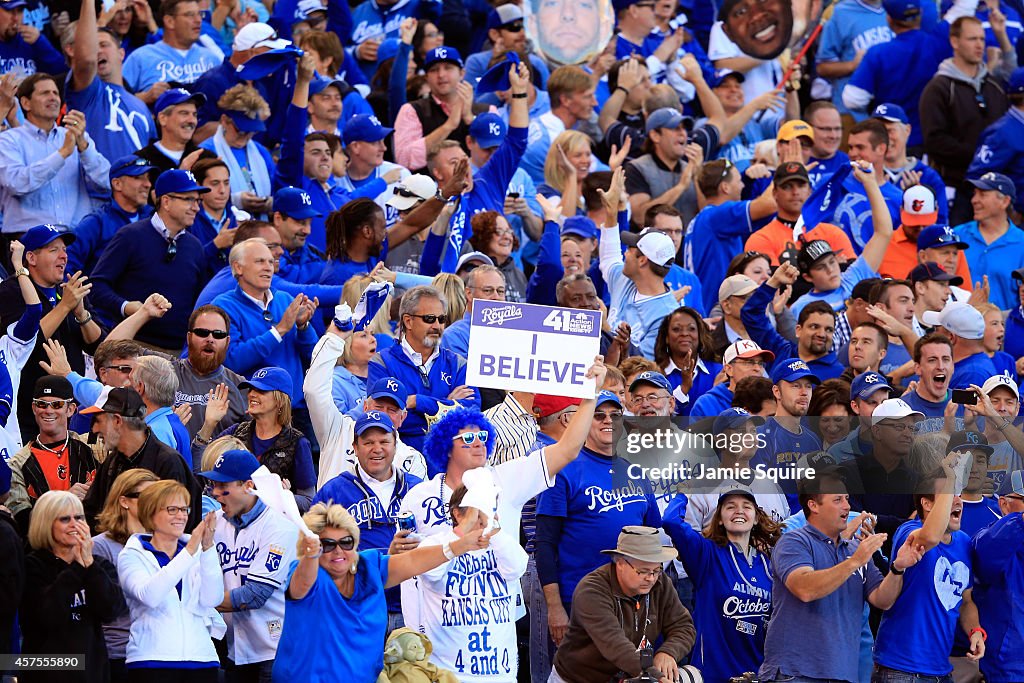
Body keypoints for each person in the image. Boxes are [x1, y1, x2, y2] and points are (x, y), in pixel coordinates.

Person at [270, 501, 490, 681]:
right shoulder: (307, 574)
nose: (338, 551)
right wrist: (310, 556)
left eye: (346, 542)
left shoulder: (369, 568)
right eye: (326, 545)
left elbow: (412, 560)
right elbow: (301, 586)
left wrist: (458, 546)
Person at [757, 471, 925, 683]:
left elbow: (883, 599)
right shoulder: (793, 541)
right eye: (837, 499)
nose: (846, 506)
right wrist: (855, 561)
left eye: (846, 498)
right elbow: (805, 589)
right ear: (813, 505)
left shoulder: (854, 549)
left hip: (842, 674)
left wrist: (898, 567)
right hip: (795, 673)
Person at [535, 390, 661, 645]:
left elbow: (654, 538)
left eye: (615, 415)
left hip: (631, 601)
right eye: (598, 415)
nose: (608, 421)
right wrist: (555, 607)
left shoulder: (636, 471)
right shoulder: (564, 469)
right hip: (579, 599)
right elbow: (545, 544)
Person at [873, 458, 986, 682]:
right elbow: (930, 537)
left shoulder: (964, 542)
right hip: (900, 669)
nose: (958, 501)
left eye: (958, 493)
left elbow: (966, 601)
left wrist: (975, 631)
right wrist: (951, 477)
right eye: (949, 493)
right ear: (926, 503)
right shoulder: (910, 531)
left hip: (941, 671)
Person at [408, 482, 528, 682]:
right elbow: (429, 570)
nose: (484, 517)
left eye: (490, 507)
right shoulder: (435, 544)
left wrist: (493, 530)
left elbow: (517, 567)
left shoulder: (501, 544)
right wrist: (463, 532)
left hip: (501, 676)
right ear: (457, 514)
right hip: (448, 676)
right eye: (478, 509)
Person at [663, 485, 782, 683]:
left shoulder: (768, 563)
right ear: (719, 518)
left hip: (756, 674)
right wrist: (683, 494)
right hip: (712, 674)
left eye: (746, 506)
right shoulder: (706, 553)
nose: (739, 511)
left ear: (756, 518)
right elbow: (670, 522)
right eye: (730, 507)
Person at [549, 525, 696, 683]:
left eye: (656, 570)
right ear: (620, 563)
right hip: (578, 678)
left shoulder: (661, 583)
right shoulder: (591, 591)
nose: (651, 578)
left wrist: (668, 652)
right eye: (643, 571)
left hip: (629, 676)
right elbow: (616, 647)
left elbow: (683, 626)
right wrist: (658, 678)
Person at [202, 449, 299, 681]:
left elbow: (254, 595)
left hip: (273, 650)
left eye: (223, 486)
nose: (216, 493)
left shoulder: (278, 527)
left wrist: (201, 600)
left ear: (247, 485)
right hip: (232, 649)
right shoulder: (213, 522)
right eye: (213, 484)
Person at [90, 169, 212, 352]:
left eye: (197, 201)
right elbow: (97, 286)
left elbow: (200, 300)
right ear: (166, 201)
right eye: (189, 199)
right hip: (133, 347)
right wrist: (126, 306)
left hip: (179, 352)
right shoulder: (130, 236)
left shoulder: (195, 247)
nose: (196, 207)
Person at [116, 481, 221, 681]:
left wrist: (207, 550)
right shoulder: (132, 555)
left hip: (202, 659)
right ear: (150, 513)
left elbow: (211, 599)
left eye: (184, 509)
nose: (181, 516)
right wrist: (190, 551)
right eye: (172, 509)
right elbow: (150, 596)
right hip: (151, 661)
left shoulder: (196, 551)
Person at [21, 490, 124, 683]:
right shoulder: (32, 565)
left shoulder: (98, 565)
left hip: (93, 670)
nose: (74, 525)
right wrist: (77, 568)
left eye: (79, 518)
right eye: (65, 519)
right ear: (46, 523)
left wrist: (90, 566)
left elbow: (112, 609)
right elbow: (46, 615)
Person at [366, 285, 480, 451]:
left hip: (448, 463)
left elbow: (472, 416)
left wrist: (417, 402)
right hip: (402, 464)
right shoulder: (381, 362)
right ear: (408, 321)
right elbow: (386, 420)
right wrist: (449, 404)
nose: (437, 325)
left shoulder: (458, 363)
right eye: (429, 319)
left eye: (441, 319)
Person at [921, 16, 1010, 225]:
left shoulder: (994, 86)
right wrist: (980, 158)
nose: (979, 45)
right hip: (957, 188)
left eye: (982, 39)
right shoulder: (939, 88)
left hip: (996, 189)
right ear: (954, 42)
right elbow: (935, 141)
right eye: (972, 39)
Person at [212, 238, 319, 406]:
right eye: (259, 261)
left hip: (296, 406)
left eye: (271, 261)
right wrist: (279, 331)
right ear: (237, 267)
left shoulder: (284, 299)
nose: (268, 267)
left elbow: (314, 355)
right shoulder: (223, 306)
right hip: (252, 409)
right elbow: (232, 361)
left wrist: (303, 327)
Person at [0, 73, 111, 235]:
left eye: (56, 93)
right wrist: (62, 154)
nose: (53, 98)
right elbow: (16, 183)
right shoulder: (9, 139)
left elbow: (108, 181)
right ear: (25, 103)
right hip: (29, 238)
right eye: (45, 93)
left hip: (76, 237)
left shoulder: (75, 136)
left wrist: (85, 149)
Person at [81, 387, 203, 530]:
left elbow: (179, 526)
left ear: (117, 421)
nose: (94, 430)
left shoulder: (169, 463)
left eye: (98, 421)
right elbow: (91, 514)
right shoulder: (113, 461)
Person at [196, 366, 316, 511]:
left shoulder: (297, 442)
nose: (252, 394)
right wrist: (209, 424)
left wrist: (283, 496)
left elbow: (309, 501)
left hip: (273, 527)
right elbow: (200, 467)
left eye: (261, 391)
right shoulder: (236, 431)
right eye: (251, 389)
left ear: (280, 400)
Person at [599, 170, 686, 357]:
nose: (625, 252)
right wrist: (611, 212)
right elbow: (609, 259)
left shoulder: (668, 315)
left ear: (643, 260)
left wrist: (606, 327)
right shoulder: (626, 279)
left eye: (630, 250)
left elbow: (643, 367)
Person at [66, 0, 155, 163]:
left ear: (121, 54)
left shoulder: (140, 106)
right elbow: (86, 58)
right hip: (95, 187)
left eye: (104, 45)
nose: (97, 51)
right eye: (95, 46)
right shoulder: (89, 93)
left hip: (136, 186)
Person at [92, 468, 160, 682]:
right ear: (124, 501)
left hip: (159, 651)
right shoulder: (99, 546)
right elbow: (103, 603)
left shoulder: (163, 543)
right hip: (118, 653)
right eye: (147, 497)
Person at [7, 376, 98, 533]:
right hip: (46, 550)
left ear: (70, 409)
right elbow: (23, 520)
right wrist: (64, 500)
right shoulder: (18, 464)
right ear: (34, 408)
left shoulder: (95, 448)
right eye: (42, 404)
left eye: (57, 405)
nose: (48, 411)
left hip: (93, 543)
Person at [686, 158, 777, 312]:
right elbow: (770, 204)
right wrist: (782, 172)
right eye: (740, 181)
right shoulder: (717, 217)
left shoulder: (704, 218)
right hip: (716, 311)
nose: (742, 186)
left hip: (706, 308)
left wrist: (749, 179)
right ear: (725, 187)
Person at [742, 263, 845, 380]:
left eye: (828, 329)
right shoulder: (780, 351)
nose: (821, 334)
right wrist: (774, 282)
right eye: (814, 327)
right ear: (798, 330)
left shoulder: (839, 375)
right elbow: (751, 314)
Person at [743, 161, 856, 266]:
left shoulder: (834, 234)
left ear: (810, 191)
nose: (795, 192)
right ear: (774, 193)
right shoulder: (761, 239)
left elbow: (853, 278)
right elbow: (771, 284)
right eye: (787, 186)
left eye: (801, 185)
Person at [67, 155, 157, 276]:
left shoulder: (153, 218)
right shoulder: (96, 223)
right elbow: (68, 264)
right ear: (117, 184)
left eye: (148, 178)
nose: (148, 184)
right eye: (138, 177)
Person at [971, 478, 1024, 683]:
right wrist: (1019, 521)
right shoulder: (986, 537)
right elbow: (987, 557)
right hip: (1009, 665)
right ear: (1003, 503)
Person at [197, 85, 275, 218]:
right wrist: (235, 201)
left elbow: (276, 187)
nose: (245, 136)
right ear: (224, 121)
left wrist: (270, 203)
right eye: (240, 129)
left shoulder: (260, 151)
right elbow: (198, 196)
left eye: (251, 131)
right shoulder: (206, 151)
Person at [393, 46, 472, 174]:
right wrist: (449, 126)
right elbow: (404, 160)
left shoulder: (485, 109)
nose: (441, 75)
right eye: (434, 70)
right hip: (427, 190)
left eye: (448, 68)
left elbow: (495, 157)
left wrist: (469, 119)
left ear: (462, 73)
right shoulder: (412, 110)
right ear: (426, 77)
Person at [121, 0, 221, 98]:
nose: (198, 20)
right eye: (190, 15)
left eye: (199, 14)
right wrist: (145, 97)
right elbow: (115, 97)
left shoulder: (212, 58)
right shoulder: (141, 57)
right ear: (170, 21)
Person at [955, 172, 1024, 310]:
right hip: (957, 326)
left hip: (1004, 327)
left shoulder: (1022, 243)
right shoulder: (957, 234)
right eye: (974, 194)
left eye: (983, 194)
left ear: (1004, 201)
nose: (974, 200)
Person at [653, 307, 721, 416]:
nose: (684, 333)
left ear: (700, 335)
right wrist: (683, 388)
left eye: (691, 329)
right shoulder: (655, 375)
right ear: (666, 337)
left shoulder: (719, 372)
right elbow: (656, 417)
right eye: (676, 329)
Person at [135, 88, 211, 174]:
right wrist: (181, 173)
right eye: (184, 113)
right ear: (163, 118)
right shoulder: (142, 161)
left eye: (194, 114)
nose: (192, 120)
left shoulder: (206, 158)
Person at [691, 339, 775, 416]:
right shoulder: (707, 404)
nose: (757, 369)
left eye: (760, 363)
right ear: (729, 369)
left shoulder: (772, 401)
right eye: (749, 362)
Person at [439, 264, 507, 358]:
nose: (496, 297)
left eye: (500, 291)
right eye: (487, 290)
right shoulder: (454, 336)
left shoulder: (516, 334)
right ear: (469, 293)